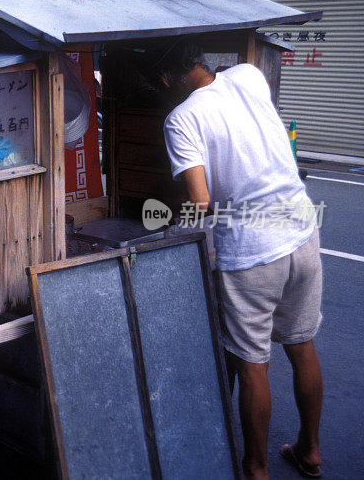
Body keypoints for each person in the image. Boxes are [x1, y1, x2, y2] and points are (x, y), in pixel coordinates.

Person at [153, 41, 323, 479]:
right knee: (301, 347)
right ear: (200, 62)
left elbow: (201, 201)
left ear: (167, 79)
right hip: (302, 230)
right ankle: (310, 451)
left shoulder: (181, 118)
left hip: (252, 253)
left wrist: (170, 229)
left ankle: (255, 468)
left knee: (253, 365)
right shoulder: (248, 76)